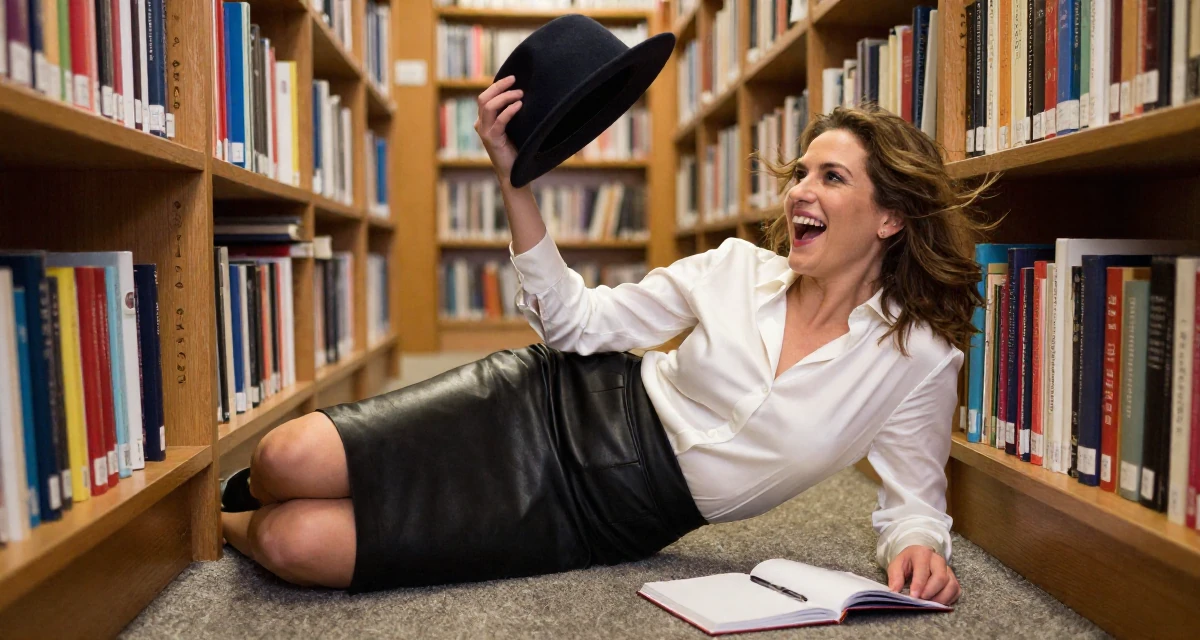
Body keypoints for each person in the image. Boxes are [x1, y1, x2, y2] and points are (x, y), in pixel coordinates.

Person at [220, 75, 996, 607]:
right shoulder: (732, 268)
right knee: (282, 460)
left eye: (831, 178)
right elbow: (576, 324)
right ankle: (225, 504)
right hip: (557, 404)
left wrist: (921, 546)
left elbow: (915, 502)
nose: (798, 190)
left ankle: (212, 524)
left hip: (611, 516)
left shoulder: (918, 361)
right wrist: (511, 177)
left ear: (891, 217)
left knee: (296, 546)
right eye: (800, 171)